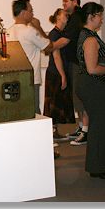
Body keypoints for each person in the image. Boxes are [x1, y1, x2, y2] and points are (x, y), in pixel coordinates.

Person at [76, 2, 105, 179]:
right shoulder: (90, 39)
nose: (102, 19)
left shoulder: (88, 36)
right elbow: (92, 69)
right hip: (93, 85)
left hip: (93, 84)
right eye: (100, 16)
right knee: (103, 124)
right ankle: (99, 166)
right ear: (91, 17)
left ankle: (101, 164)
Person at [7, 0, 65, 114]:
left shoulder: (7, 32)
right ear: (23, 13)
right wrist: (38, 27)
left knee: (18, 111)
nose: (33, 14)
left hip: (13, 79)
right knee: (34, 112)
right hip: (30, 79)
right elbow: (49, 47)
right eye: (31, 10)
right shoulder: (29, 31)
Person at [58, 0, 89, 146]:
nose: (63, 4)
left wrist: (50, 46)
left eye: (66, 1)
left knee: (80, 97)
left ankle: (86, 132)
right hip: (73, 63)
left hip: (78, 63)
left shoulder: (77, 17)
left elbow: (65, 40)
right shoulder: (73, 18)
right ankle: (82, 127)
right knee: (76, 98)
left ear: (75, 2)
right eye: (63, 1)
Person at [44, 8, 75, 140]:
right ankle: (52, 131)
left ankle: (55, 130)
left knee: (59, 102)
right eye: (64, 14)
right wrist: (62, 75)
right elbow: (56, 56)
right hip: (55, 73)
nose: (67, 16)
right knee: (53, 103)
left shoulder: (62, 34)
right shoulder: (54, 34)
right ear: (58, 17)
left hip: (60, 72)